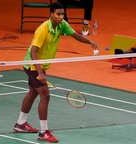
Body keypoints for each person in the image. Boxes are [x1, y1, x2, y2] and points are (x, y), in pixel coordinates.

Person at [13, 2, 99, 143]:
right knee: (45, 95)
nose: (60, 17)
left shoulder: (62, 24)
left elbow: (75, 35)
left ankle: (21, 124)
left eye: (62, 14)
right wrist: (40, 73)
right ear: (51, 14)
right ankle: (43, 132)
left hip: (41, 65)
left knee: (33, 93)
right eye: (58, 14)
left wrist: (90, 42)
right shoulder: (43, 29)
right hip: (33, 65)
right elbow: (34, 52)